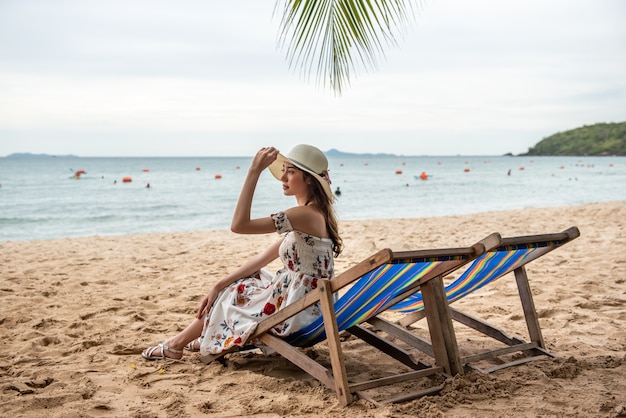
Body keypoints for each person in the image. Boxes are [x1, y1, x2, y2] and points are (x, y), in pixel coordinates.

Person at [142, 145, 343, 360]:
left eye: (291, 171)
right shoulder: (312, 214)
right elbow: (262, 259)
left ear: (310, 179)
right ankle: (198, 337)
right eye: (283, 169)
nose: (282, 177)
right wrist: (218, 284)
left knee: (236, 290)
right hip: (309, 303)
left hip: (299, 313)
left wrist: (253, 172)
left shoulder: (303, 215)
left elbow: (239, 225)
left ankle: (175, 344)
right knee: (243, 279)